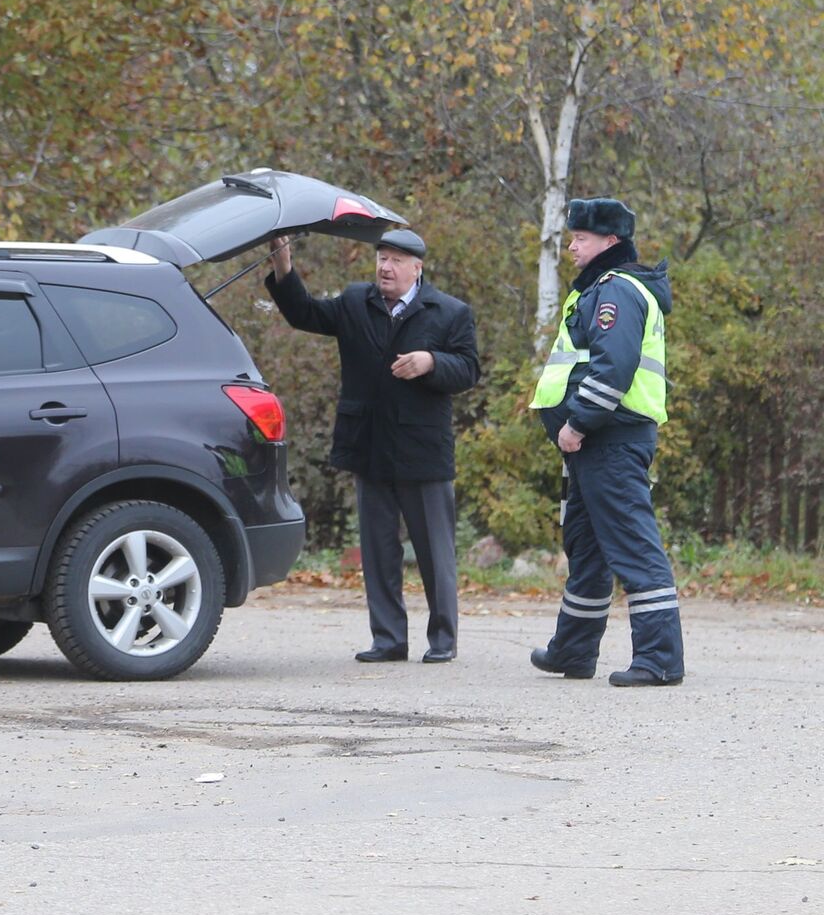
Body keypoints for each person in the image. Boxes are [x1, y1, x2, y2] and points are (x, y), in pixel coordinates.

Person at [265, 229, 481, 663]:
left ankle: (443, 640)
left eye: (397, 259)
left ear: (417, 268)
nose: (386, 266)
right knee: (379, 551)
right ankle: (388, 639)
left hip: (422, 450)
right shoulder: (354, 301)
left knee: (435, 554)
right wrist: (283, 267)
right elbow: (304, 313)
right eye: (382, 257)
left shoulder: (450, 312)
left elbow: (469, 369)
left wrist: (432, 362)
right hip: (369, 445)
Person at [528, 198, 684, 686]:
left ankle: (659, 660)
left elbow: (612, 367)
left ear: (610, 242)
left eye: (580, 238)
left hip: (608, 436)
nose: (571, 246)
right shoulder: (599, 289)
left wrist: (576, 423)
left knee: (633, 546)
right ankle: (573, 651)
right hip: (598, 442)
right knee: (588, 548)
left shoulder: (617, 290)